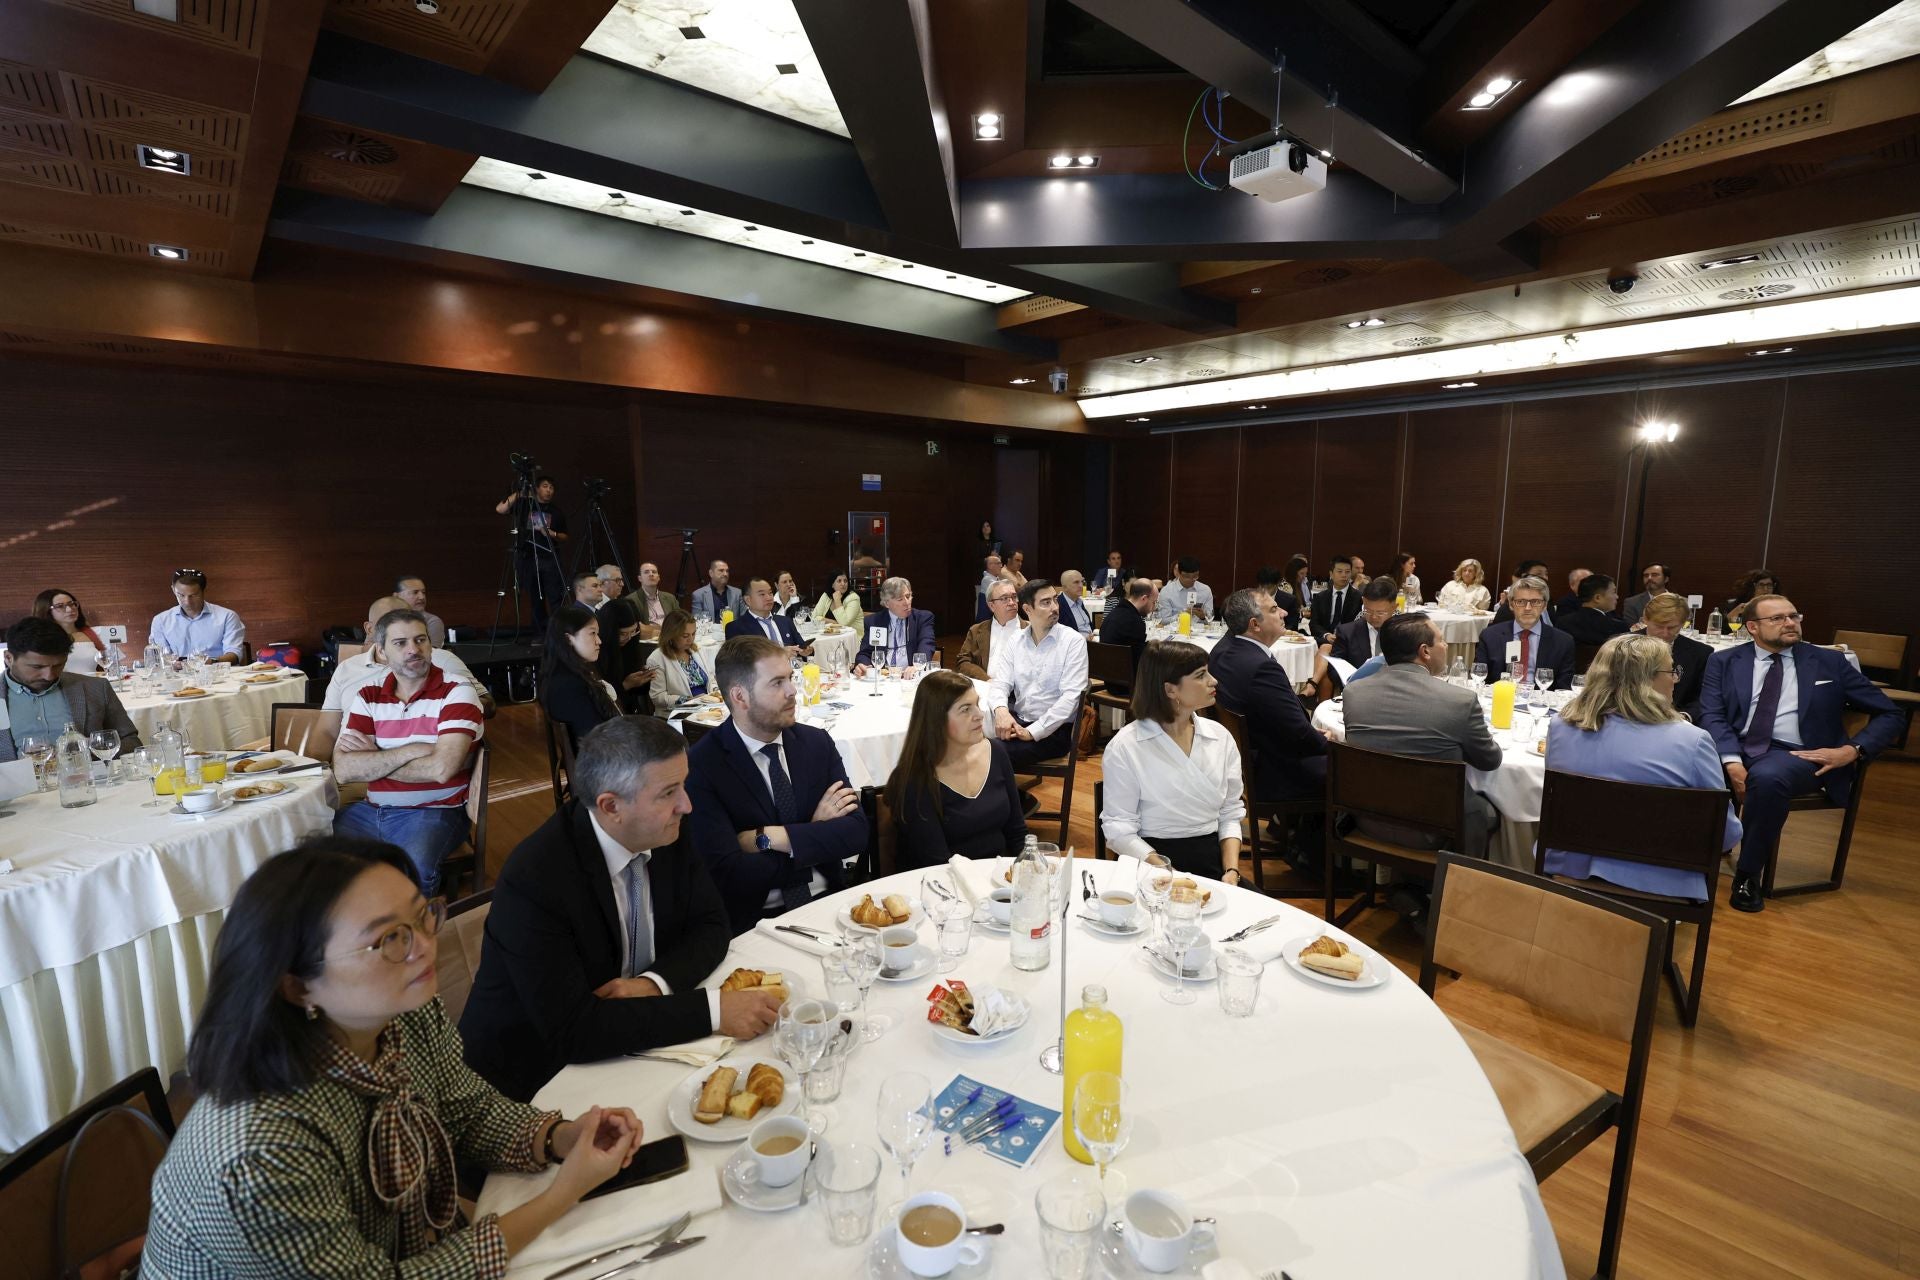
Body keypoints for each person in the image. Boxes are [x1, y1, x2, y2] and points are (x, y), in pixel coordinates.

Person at [141, 838, 644, 1277]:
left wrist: (560, 1136)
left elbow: (467, 1109)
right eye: (388, 940)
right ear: (297, 985)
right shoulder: (261, 1151)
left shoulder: (400, 1016)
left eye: (421, 915)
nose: (426, 946)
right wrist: (559, 1197)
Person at [459, 717, 776, 1101]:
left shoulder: (664, 830)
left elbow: (711, 925)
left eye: (684, 785)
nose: (686, 805)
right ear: (611, 806)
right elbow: (573, 1030)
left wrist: (653, 984)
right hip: (533, 1082)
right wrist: (714, 1011)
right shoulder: (537, 878)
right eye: (668, 792)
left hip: (634, 1043)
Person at [1698, 595, 1900, 913]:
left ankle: (1748, 875)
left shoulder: (1829, 663)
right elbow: (1712, 714)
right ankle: (1680, 860)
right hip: (1735, 746)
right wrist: (1732, 762)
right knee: (1678, 761)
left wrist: (1853, 750)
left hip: (1797, 753)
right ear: (1752, 627)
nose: (1790, 623)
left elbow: (1890, 713)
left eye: (1794, 616)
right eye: (1777, 618)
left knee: (1766, 779)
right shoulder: (1723, 661)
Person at [686, 637, 868, 933]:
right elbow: (728, 873)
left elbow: (856, 833)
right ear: (740, 697)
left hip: (831, 905)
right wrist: (814, 833)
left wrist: (770, 837)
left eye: (791, 678)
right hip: (753, 924)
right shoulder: (703, 765)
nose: (793, 691)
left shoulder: (815, 743)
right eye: (777, 682)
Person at [1542, 634, 1743, 902]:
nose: (1675, 679)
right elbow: (1724, 834)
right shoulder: (1692, 740)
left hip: (1569, 864)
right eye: (1672, 670)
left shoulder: (1561, 727)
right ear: (1646, 679)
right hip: (1662, 876)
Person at [331, 610, 484, 897]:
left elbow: (441, 769)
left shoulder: (456, 690)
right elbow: (344, 769)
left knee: (413, 870)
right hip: (369, 812)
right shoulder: (368, 694)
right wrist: (413, 750)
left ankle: (411, 934)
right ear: (382, 651)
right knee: (312, 852)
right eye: (400, 643)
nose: (413, 650)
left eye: (420, 640)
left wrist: (375, 757)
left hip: (435, 812)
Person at [1344, 614, 1503, 875]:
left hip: (1367, 819)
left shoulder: (1353, 693)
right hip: (1434, 831)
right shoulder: (1459, 701)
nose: (1447, 647)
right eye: (1441, 640)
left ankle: (1404, 886)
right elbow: (1489, 761)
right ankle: (1454, 890)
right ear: (1425, 651)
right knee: (1485, 809)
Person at [1101, 641, 1247, 884]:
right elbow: (1119, 830)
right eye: (1201, 675)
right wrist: (1170, 874)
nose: (1214, 681)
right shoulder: (1127, 746)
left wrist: (1231, 872)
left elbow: (1230, 813)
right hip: (1151, 864)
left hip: (1214, 862)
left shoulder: (1220, 737)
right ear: (1170, 690)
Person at [319, 596, 492, 762]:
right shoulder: (354, 677)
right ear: (370, 629)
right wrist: (319, 769)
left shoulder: (443, 661)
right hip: (349, 763)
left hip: (417, 765)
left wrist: (451, 712)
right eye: (399, 641)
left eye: (408, 618)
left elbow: (487, 704)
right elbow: (327, 731)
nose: (413, 649)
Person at [886, 672, 1026, 868]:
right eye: (965, 709)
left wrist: (1030, 873)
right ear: (937, 720)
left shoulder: (996, 752)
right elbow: (936, 864)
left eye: (977, 704)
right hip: (941, 886)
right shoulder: (914, 779)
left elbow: (1017, 833)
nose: (980, 715)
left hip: (999, 880)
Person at [1208, 589, 1327, 806]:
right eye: (1274, 609)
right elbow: (1299, 735)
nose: (1283, 612)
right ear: (1254, 625)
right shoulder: (1261, 668)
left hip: (1248, 754)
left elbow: (1276, 718)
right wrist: (1327, 742)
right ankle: (1312, 837)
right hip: (1271, 770)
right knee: (1348, 769)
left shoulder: (1223, 648)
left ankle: (1291, 827)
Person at [0, 616, 141, 761]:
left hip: (87, 780)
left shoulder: (96, 688)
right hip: (17, 782)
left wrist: (95, 747)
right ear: (8, 658)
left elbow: (133, 743)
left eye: (58, 665)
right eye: (37, 667)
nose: (49, 676)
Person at [985, 579, 1089, 769]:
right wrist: (1001, 711)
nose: (1055, 607)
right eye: (1045, 602)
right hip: (1018, 720)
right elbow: (1001, 683)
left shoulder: (1072, 642)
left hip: (1053, 731)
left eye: (1055, 600)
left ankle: (1008, 798)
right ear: (1027, 609)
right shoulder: (1016, 640)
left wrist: (1033, 731)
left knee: (989, 754)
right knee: (969, 743)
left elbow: (1071, 698)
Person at [538, 604, 622, 749]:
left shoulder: (568, 674)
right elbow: (594, 736)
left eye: (598, 634)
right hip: (602, 762)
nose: (599, 641)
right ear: (569, 639)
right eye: (592, 633)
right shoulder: (569, 685)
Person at [1475, 575, 1575, 689]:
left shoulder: (1563, 642)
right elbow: (1480, 679)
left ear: (1544, 606)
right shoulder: (1489, 636)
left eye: (1535, 602)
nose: (1528, 608)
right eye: (1521, 601)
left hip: (1540, 703)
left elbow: (1564, 688)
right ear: (1512, 605)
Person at [494, 474, 567, 626]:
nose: (549, 490)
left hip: (549, 558)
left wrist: (552, 534)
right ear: (537, 489)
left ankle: (559, 631)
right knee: (535, 599)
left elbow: (565, 536)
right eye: (545, 486)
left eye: (552, 487)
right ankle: (541, 633)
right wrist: (521, 492)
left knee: (555, 597)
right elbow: (500, 509)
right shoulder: (525, 505)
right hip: (528, 558)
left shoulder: (556, 511)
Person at [1638, 593, 1712, 723]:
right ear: (1645, 619)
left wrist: (1684, 717)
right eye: (1659, 626)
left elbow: (1704, 697)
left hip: (1677, 721)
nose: (1665, 633)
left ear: (1683, 623)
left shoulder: (1701, 653)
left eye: (1672, 627)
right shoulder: (1620, 646)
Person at [148, 569, 244, 662]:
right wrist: (171, 664)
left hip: (216, 672)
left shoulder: (227, 616)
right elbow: (158, 657)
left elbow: (234, 654)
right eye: (181, 595)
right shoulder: (160, 620)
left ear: (203, 591)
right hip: (178, 675)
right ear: (173, 589)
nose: (187, 602)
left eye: (193, 595)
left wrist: (212, 661)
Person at [853, 576, 935, 674]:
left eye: (908, 596)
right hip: (883, 677)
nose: (907, 602)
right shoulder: (874, 622)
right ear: (887, 603)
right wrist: (863, 665)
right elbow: (865, 653)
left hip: (909, 675)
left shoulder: (922, 618)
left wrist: (917, 666)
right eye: (900, 599)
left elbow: (926, 643)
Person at [645, 610, 714, 714]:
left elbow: (711, 678)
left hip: (706, 708)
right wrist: (689, 700)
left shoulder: (697, 650)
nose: (691, 640)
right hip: (678, 713)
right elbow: (657, 697)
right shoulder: (657, 659)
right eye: (685, 636)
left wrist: (716, 692)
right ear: (671, 635)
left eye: (693, 634)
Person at [955, 579, 1022, 682]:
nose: (1012, 603)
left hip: (1018, 695)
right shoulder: (977, 630)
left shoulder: (1030, 630)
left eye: (1014, 597)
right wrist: (987, 680)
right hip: (984, 688)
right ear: (992, 606)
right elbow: (963, 662)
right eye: (1004, 598)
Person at [1097, 578, 1154, 695]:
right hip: (1128, 686)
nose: (1154, 607)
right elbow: (1141, 660)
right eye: (1154, 602)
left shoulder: (1115, 613)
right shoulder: (1134, 621)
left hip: (1110, 681)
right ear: (1144, 599)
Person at [1327, 577, 1399, 669]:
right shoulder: (1347, 632)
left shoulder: (1403, 632)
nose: (1373, 617)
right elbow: (1334, 668)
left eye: (1380, 613)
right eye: (1368, 611)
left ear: (1394, 607)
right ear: (1363, 602)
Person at [32, 587, 107, 674]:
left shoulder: (94, 633)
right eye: (60, 606)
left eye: (71, 604)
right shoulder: (40, 639)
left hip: (93, 685)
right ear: (46, 611)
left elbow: (109, 664)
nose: (70, 609)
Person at [726, 577, 809, 654]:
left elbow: (801, 647)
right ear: (748, 600)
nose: (769, 598)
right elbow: (739, 661)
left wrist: (806, 651)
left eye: (770, 593)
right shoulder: (735, 628)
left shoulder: (785, 621)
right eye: (762, 594)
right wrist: (780, 653)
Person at [1558, 573, 1632, 648]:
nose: (1617, 596)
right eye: (1613, 592)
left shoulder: (1563, 623)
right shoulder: (1619, 627)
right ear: (1597, 598)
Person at [1309, 555, 1361, 643]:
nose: (1344, 575)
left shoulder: (1359, 597)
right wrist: (1326, 635)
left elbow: (1359, 624)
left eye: (1347, 572)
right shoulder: (1320, 597)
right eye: (1340, 571)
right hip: (1324, 640)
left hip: (1348, 641)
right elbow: (1314, 624)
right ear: (1331, 574)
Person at [1491, 559, 1551, 626]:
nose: (1544, 578)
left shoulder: (1547, 598)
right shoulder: (1511, 601)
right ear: (1524, 576)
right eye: (1538, 574)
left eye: (1546, 574)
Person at [1155, 556, 1214, 622]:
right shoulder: (1167, 591)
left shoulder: (1205, 590)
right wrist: (1182, 615)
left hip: (1200, 630)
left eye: (1195, 576)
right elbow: (1163, 620)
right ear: (1178, 573)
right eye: (1187, 576)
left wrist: (1203, 616)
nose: (1191, 580)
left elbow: (1210, 618)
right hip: (1175, 631)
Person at [629, 562, 678, 640]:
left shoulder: (670, 598)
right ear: (640, 578)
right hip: (648, 642)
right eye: (646, 572)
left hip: (671, 639)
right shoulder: (631, 600)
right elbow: (636, 629)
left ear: (658, 578)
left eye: (654, 572)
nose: (651, 574)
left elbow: (679, 621)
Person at [394, 576, 446, 647]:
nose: (422, 597)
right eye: (415, 592)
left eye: (423, 592)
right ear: (397, 596)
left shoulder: (432, 621)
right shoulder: (389, 620)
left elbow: (434, 654)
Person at [1620, 563, 1670, 628]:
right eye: (1646, 575)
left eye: (1654, 575)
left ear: (1666, 579)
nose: (1649, 578)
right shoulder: (1631, 602)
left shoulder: (1682, 602)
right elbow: (1630, 629)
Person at [1056, 569, 1095, 635]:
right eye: (1076, 582)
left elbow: (1088, 625)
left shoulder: (1080, 602)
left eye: (1082, 582)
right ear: (1065, 587)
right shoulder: (1058, 605)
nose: (1081, 585)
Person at [977, 554, 1005, 621]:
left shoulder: (997, 578)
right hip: (985, 620)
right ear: (990, 565)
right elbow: (1002, 593)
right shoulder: (986, 580)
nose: (1001, 566)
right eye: (998, 563)